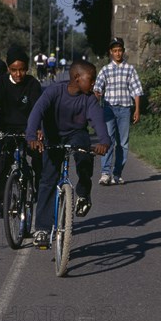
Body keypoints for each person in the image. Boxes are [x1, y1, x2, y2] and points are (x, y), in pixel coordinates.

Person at [26, 60, 111, 247]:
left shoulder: (89, 98)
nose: (94, 84)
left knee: (84, 155)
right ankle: (42, 228)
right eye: (92, 79)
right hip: (53, 136)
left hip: (76, 134)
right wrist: (32, 135)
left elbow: (98, 121)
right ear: (76, 78)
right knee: (48, 179)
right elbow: (37, 112)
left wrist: (104, 141)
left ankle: (83, 192)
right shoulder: (54, 91)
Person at [0, 46, 43, 218]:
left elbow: (40, 108)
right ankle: (3, 200)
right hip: (8, 129)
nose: (18, 74)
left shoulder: (32, 84)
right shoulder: (1, 83)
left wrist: (39, 129)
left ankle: (39, 187)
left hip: (29, 129)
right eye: (14, 70)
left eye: (22, 70)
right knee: (3, 162)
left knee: (39, 155)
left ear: (27, 69)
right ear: (8, 68)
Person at [94, 37, 144, 186]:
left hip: (124, 109)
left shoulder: (130, 69)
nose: (117, 53)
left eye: (120, 50)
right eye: (114, 51)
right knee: (107, 140)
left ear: (123, 51)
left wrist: (137, 110)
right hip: (109, 109)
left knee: (123, 143)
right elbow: (98, 88)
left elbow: (136, 90)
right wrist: (96, 97)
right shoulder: (105, 70)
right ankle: (105, 173)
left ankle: (117, 173)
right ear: (110, 52)